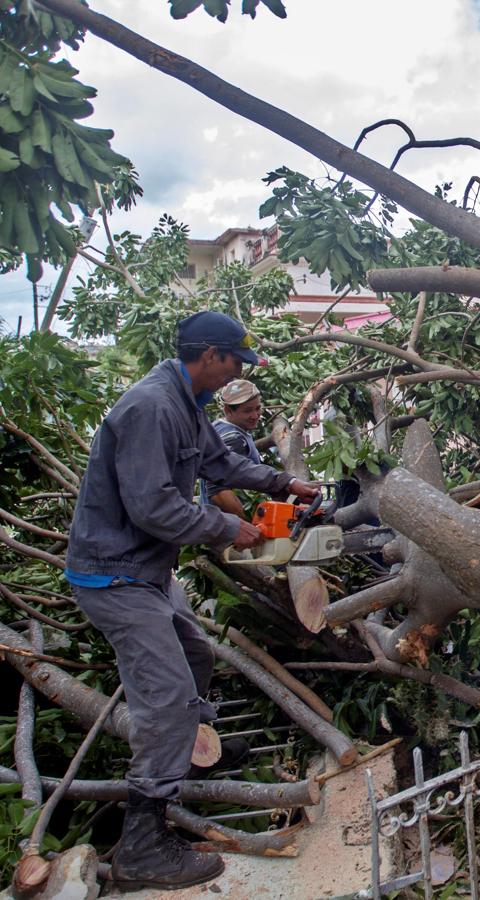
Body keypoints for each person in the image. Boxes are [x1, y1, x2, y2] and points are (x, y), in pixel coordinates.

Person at [65, 310, 319, 891]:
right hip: (115, 580)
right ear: (209, 356)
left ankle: (179, 759)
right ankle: (143, 843)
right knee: (171, 701)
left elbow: (219, 463)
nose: (239, 372)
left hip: (148, 573)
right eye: (235, 361)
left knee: (197, 657)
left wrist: (283, 484)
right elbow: (152, 507)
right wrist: (229, 529)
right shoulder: (151, 408)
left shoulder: (187, 405)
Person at [202, 379, 265, 519]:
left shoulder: (217, 427)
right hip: (230, 528)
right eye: (248, 411)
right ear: (228, 410)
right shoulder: (233, 439)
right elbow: (218, 491)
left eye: (257, 408)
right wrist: (248, 523)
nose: (255, 415)